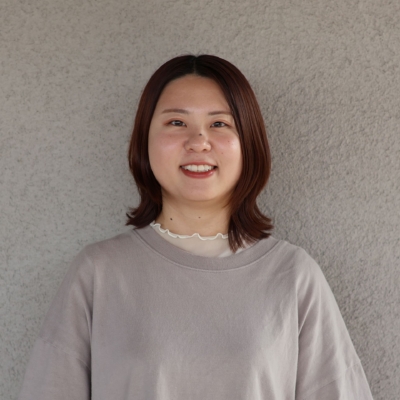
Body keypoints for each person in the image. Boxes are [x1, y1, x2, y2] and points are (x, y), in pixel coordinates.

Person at [18, 55, 374, 399]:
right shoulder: (98, 273)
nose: (198, 142)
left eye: (219, 124)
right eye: (176, 123)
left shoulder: (293, 276)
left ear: (249, 144)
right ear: (144, 140)